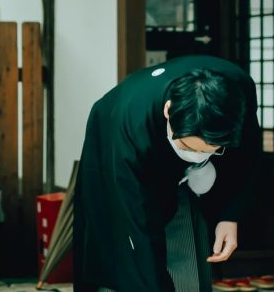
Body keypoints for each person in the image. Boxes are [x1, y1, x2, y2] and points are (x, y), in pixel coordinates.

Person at [73, 55, 261, 292]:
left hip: (181, 152)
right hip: (117, 134)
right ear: (168, 110)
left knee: (188, 231)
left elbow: (247, 153)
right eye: (189, 148)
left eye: (210, 150)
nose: (197, 154)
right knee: (126, 244)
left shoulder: (238, 92)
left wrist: (230, 215)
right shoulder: (129, 126)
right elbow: (135, 223)